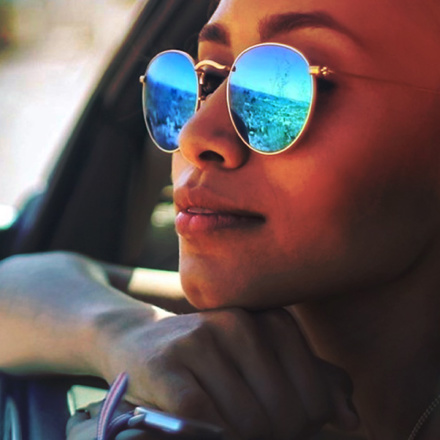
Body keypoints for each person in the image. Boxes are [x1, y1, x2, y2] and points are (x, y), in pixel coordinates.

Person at [3, 0, 440, 438]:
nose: (194, 135)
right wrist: (124, 335)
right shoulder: (218, 333)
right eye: (206, 79)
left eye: (279, 88)